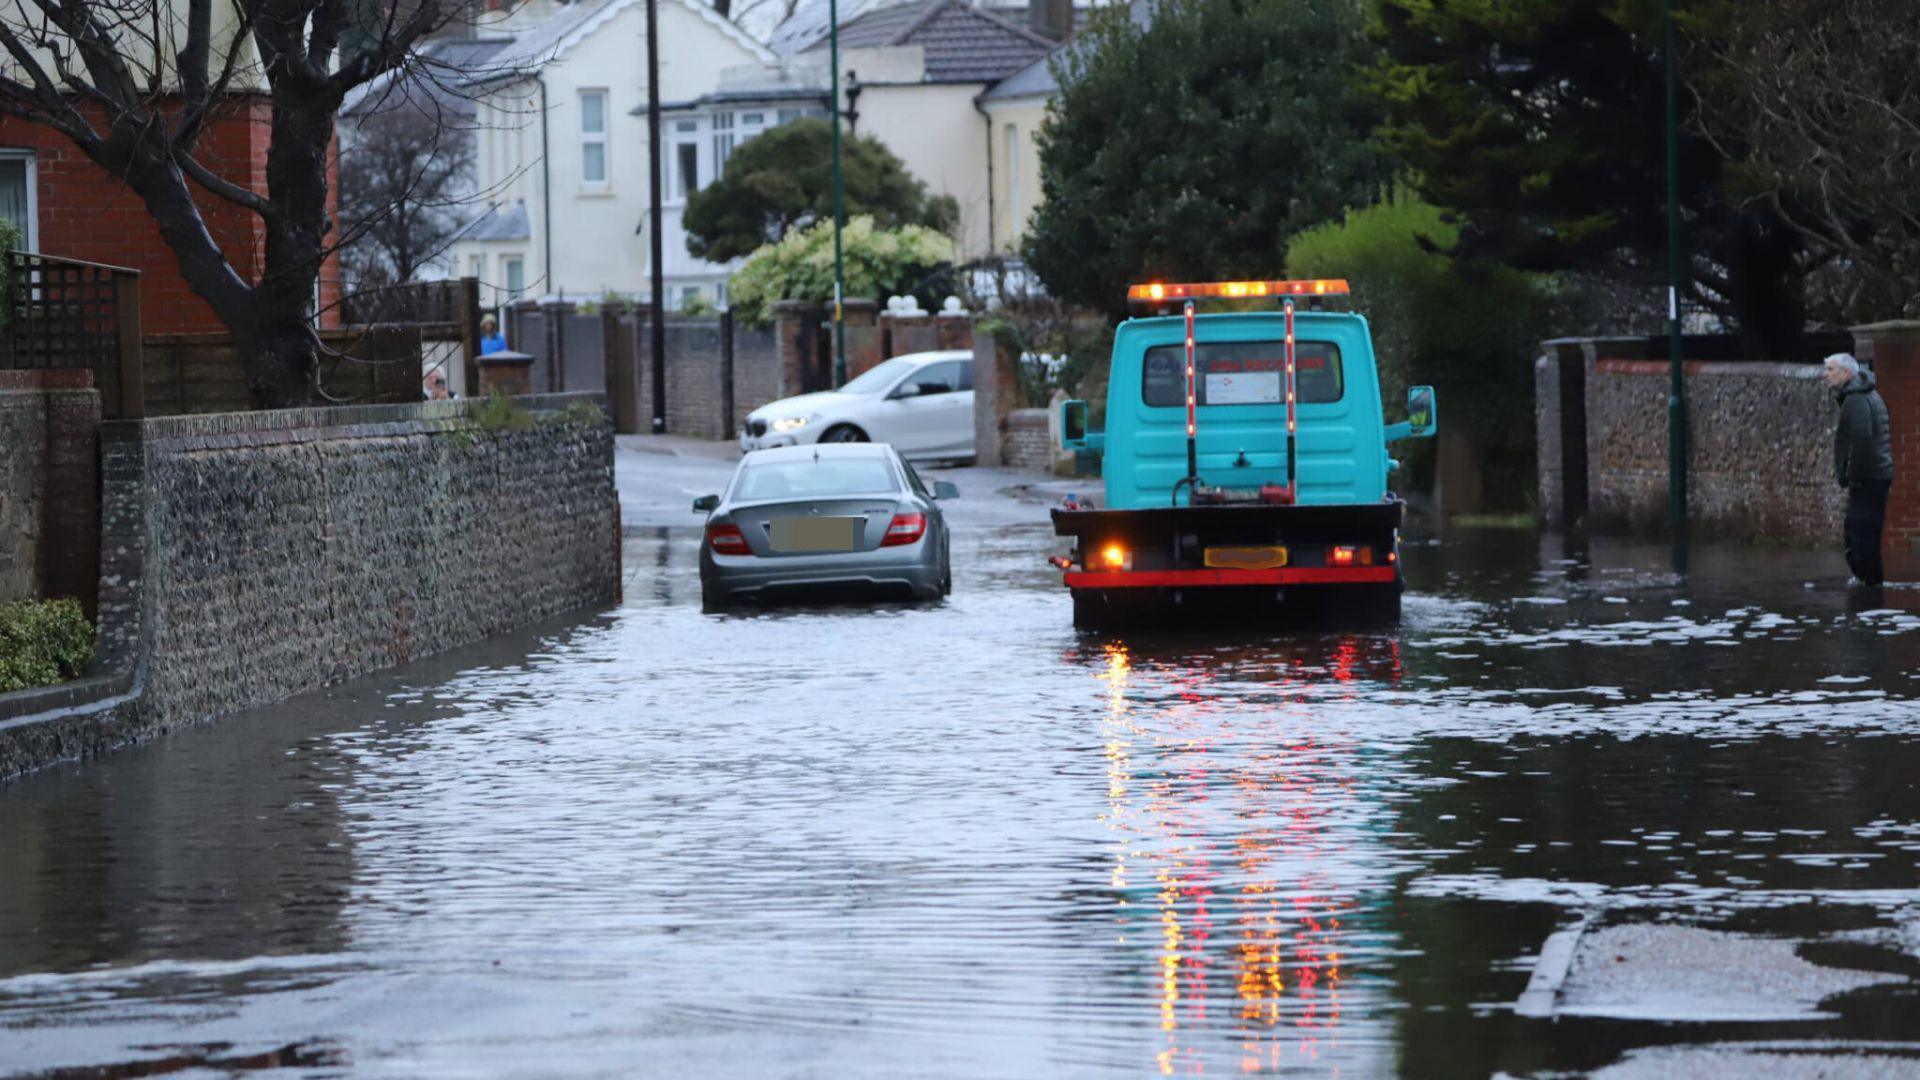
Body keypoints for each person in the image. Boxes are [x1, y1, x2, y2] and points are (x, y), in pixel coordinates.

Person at [1825, 352, 1894, 585]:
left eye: (1831, 370)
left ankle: (1869, 589)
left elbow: (1862, 441)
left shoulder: (1855, 399)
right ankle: (1869, 584)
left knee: (1860, 536)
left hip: (1868, 478)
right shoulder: (1867, 394)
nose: (1826, 375)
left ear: (1846, 373)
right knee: (1865, 534)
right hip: (1877, 476)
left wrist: (1851, 476)